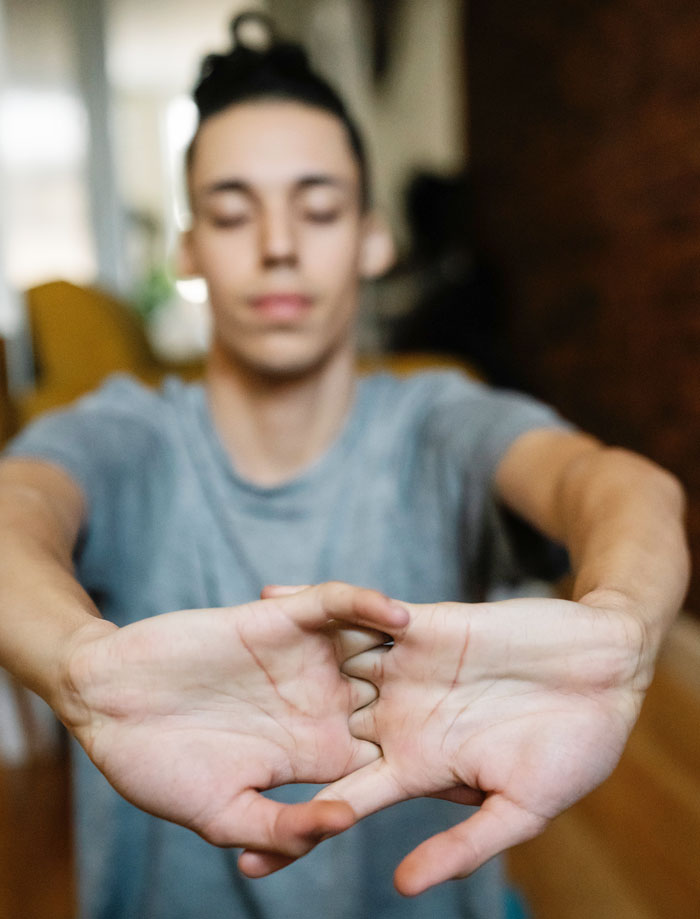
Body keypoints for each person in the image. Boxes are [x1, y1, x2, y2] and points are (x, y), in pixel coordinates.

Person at [0, 11, 689, 919]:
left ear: (373, 237)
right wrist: (80, 669)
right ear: (190, 251)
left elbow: (614, 484)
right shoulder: (131, 433)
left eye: (318, 206)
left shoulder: (439, 416)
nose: (279, 243)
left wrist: (625, 631)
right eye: (232, 211)